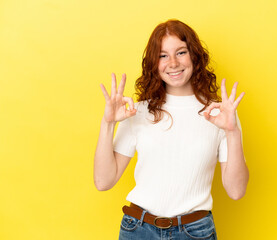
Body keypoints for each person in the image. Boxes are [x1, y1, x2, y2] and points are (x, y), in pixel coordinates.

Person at [94, 19, 249, 240]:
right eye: (163, 55)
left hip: (194, 232)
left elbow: (236, 191)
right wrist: (108, 123)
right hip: (138, 230)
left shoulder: (220, 115)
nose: (173, 63)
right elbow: (103, 181)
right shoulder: (137, 112)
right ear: (154, 63)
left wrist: (233, 132)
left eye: (181, 52)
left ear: (194, 56)